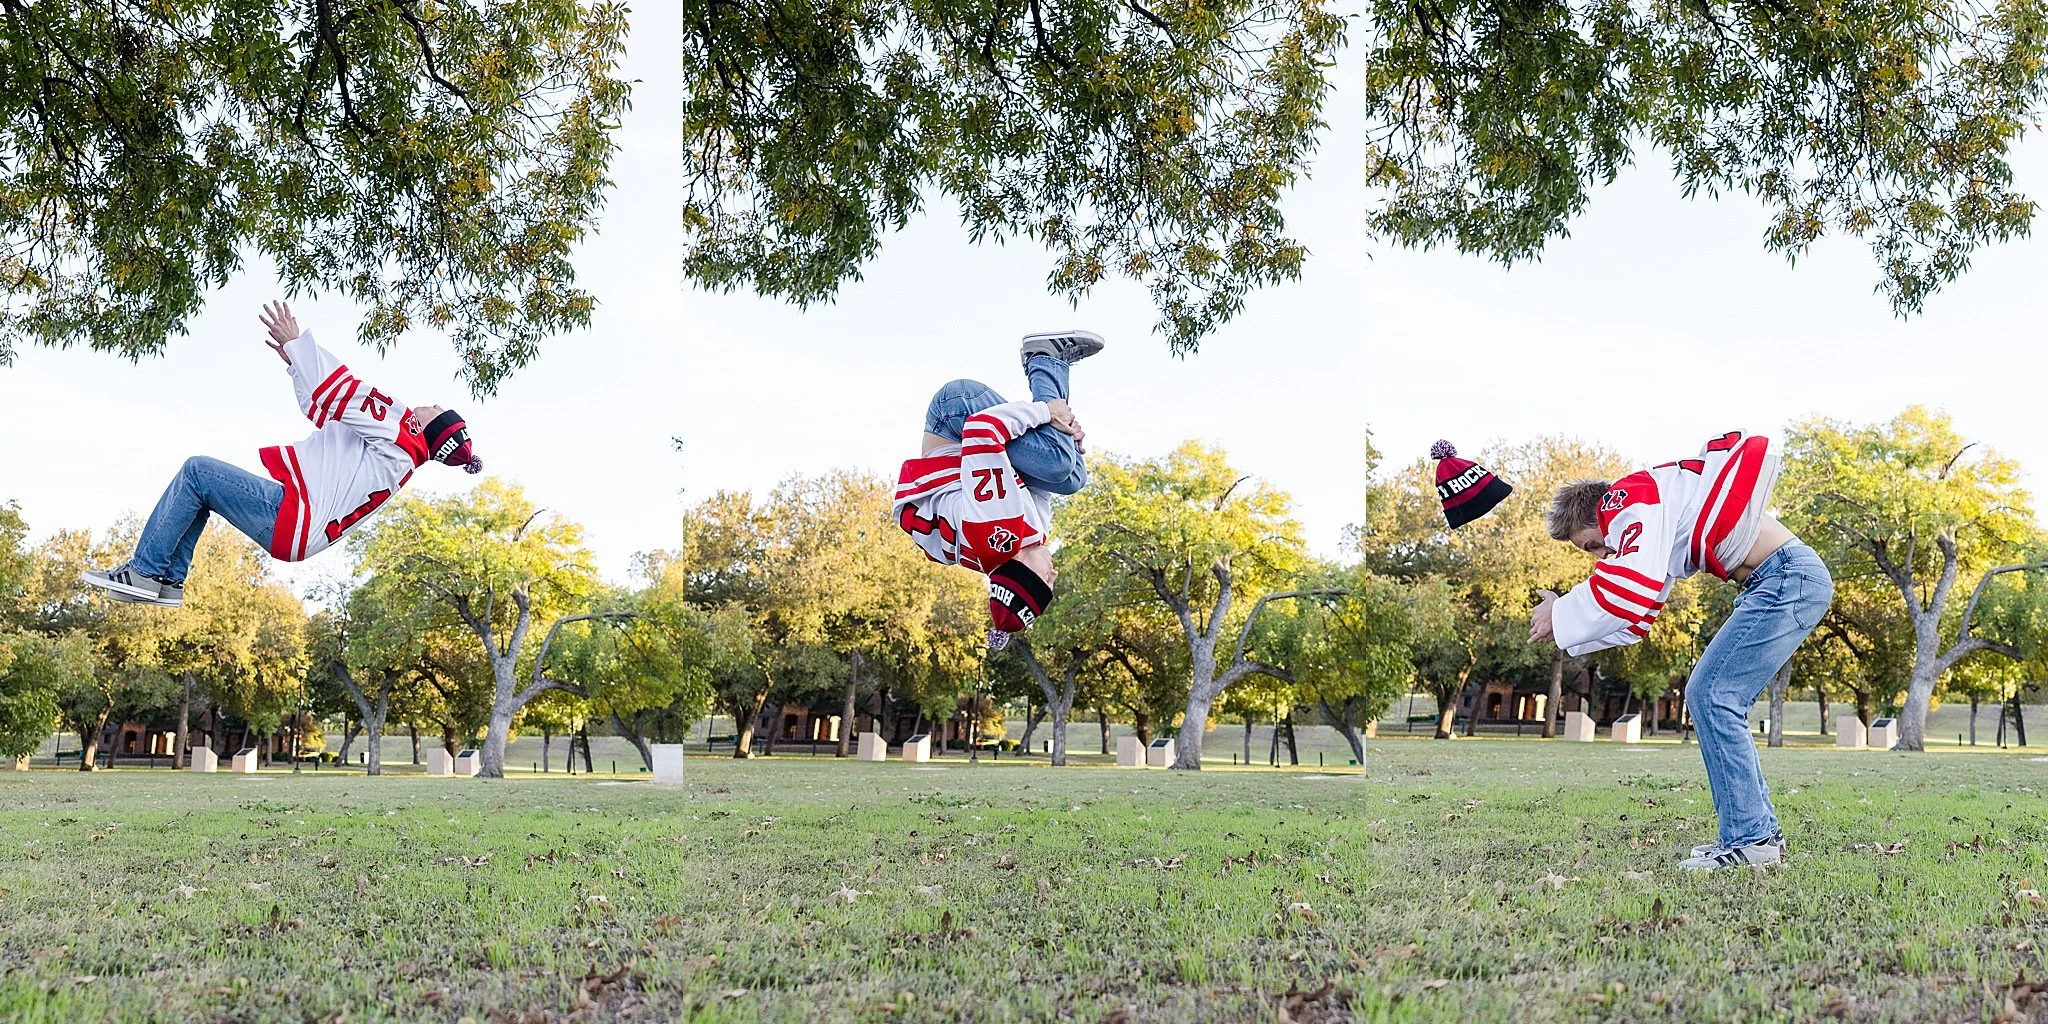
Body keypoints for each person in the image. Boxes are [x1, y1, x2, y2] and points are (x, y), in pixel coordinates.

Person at [1527, 430, 1833, 871]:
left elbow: (1631, 588)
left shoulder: (1627, 499)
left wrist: (1560, 612)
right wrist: (1566, 626)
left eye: (1591, 544)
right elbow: (1638, 615)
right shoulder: (1656, 511)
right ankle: (1753, 835)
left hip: (1786, 578)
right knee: (1711, 694)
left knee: (1713, 695)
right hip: (1777, 581)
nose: (1599, 555)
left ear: (1598, 512)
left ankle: (1752, 841)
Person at [79, 301, 480, 607]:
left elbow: (342, 390)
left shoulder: (403, 428)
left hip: (294, 519)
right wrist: (296, 366)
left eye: (431, 406)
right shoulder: (399, 458)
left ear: (430, 424)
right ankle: (167, 582)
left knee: (197, 472)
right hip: (302, 536)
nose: (423, 403)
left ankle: (145, 573)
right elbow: (324, 410)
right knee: (201, 490)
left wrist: (297, 341)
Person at [892, 331, 1101, 648]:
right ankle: (1052, 389)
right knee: (1071, 477)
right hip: (967, 449)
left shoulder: (995, 525)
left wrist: (1048, 413)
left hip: (954, 416)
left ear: (1022, 568)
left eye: (1046, 580)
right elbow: (1038, 480)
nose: (1054, 574)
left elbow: (980, 430)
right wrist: (1065, 435)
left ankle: (1043, 357)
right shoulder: (1026, 538)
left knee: (1058, 461)